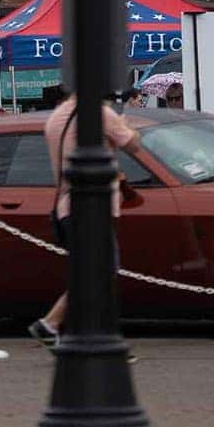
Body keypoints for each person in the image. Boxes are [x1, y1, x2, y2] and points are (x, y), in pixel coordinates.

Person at [29, 91, 142, 355]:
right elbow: (134, 144)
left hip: (66, 206)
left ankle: (68, 329)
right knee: (100, 274)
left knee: (94, 273)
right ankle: (63, 327)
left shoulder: (56, 117)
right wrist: (126, 126)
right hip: (93, 208)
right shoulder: (100, 114)